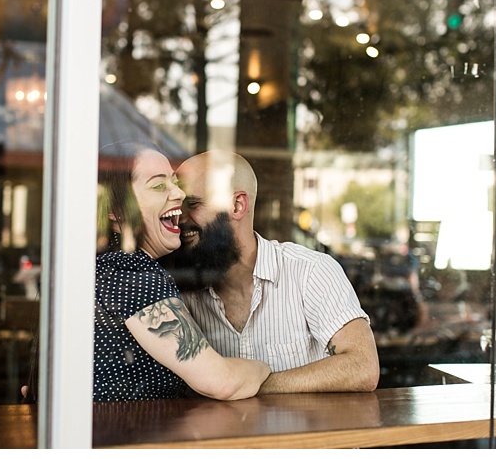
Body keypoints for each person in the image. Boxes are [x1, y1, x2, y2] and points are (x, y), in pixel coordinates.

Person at [169, 150, 379, 394]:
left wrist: (248, 385)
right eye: (176, 207)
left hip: (302, 433)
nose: (180, 218)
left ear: (237, 205)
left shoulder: (310, 272)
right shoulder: (177, 291)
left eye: (192, 204)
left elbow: (363, 367)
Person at [92, 141, 270, 401]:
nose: (179, 194)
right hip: (122, 437)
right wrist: (263, 369)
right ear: (115, 209)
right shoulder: (133, 273)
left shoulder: (105, 265)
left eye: (174, 182)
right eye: (159, 185)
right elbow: (222, 382)